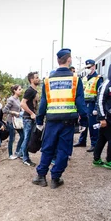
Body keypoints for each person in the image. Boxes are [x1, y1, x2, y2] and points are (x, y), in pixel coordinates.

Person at [33, 48, 88, 189]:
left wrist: (39, 121)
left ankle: (41, 177)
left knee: (48, 148)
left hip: (51, 121)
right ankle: (55, 178)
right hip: (68, 122)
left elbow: (43, 104)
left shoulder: (47, 81)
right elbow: (81, 103)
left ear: (58, 61)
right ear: (69, 60)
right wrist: (84, 121)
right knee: (64, 150)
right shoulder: (76, 80)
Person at [74, 59, 104, 152]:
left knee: (92, 125)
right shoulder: (84, 79)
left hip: (92, 103)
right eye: (86, 67)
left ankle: (94, 144)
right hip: (84, 103)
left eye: (89, 67)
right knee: (83, 122)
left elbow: (100, 94)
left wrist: (96, 107)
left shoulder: (98, 78)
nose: (88, 69)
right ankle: (82, 141)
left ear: (94, 66)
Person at [21, 72, 40, 167]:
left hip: (32, 118)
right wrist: (32, 113)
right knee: (27, 138)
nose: (38, 79)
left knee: (30, 138)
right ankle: (25, 158)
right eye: (36, 78)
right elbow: (22, 103)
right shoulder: (29, 91)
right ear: (31, 80)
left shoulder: (34, 91)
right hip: (28, 118)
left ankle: (22, 154)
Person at [3, 85, 24, 160]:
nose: (21, 90)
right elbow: (4, 110)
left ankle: (17, 151)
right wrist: (14, 112)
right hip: (11, 121)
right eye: (19, 89)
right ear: (15, 91)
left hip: (17, 121)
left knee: (23, 135)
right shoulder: (11, 99)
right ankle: (10, 154)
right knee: (12, 138)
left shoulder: (18, 99)